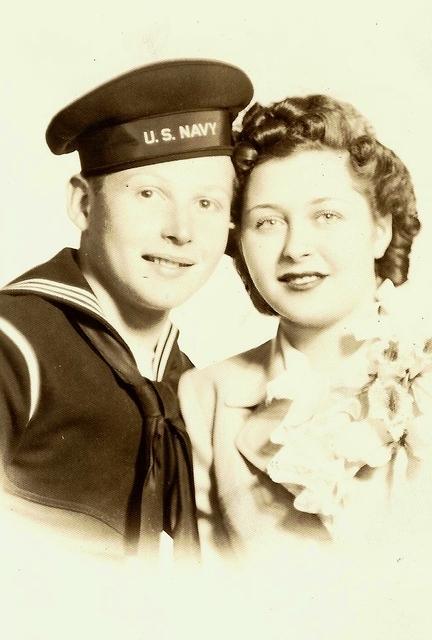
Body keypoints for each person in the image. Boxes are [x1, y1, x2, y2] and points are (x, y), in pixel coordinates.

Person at [0, 59, 253, 560]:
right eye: (148, 193)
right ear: (83, 205)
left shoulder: (192, 386)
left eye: (206, 203)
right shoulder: (14, 346)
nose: (181, 230)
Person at [179, 93, 432, 563]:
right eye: (268, 222)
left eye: (327, 215)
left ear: (380, 229)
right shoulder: (205, 397)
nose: (296, 247)